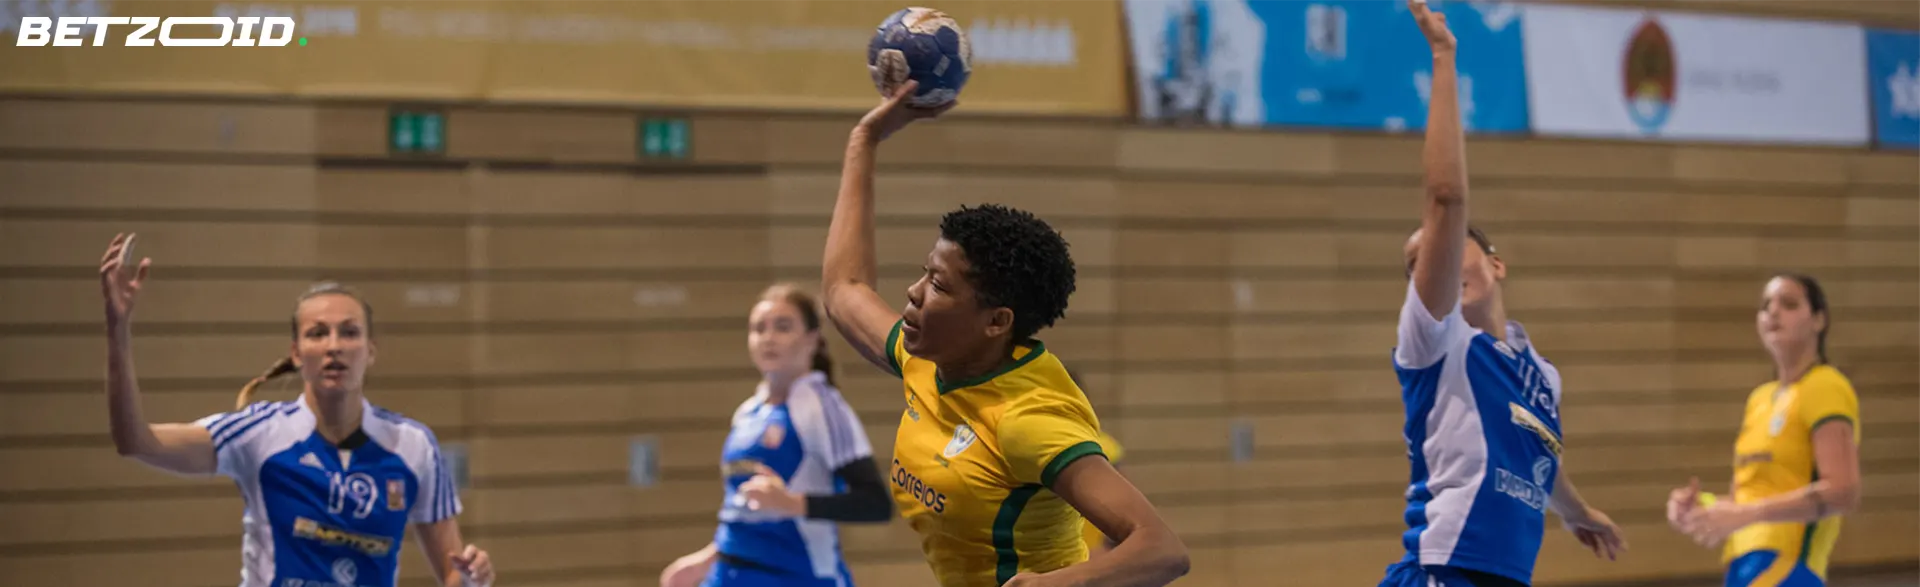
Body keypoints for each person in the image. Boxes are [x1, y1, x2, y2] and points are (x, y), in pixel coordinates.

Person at [820, 81, 1190, 587]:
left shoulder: (1027, 420)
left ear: (997, 321)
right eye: (923, 273)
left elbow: (1163, 550)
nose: (913, 292)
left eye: (939, 286)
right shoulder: (927, 360)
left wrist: (1054, 584)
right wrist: (864, 141)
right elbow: (845, 287)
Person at [1379, 4, 1626, 587]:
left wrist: (1575, 511)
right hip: (1444, 569)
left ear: (1496, 264)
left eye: (1442, 248)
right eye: (1417, 263)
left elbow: (1537, 451)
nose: (1430, 263)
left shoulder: (1541, 372)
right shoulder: (1435, 340)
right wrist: (1444, 58)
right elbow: (1445, 197)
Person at [97, 233, 494, 587]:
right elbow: (135, 440)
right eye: (318, 333)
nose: (334, 346)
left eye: (350, 332)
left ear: (371, 351)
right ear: (296, 353)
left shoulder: (414, 446)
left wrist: (473, 578)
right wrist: (118, 329)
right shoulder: (257, 434)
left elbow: (453, 573)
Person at [659, 284, 893, 587]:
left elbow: (875, 503)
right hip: (730, 574)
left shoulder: (821, 406)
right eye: (758, 329)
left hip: (797, 576)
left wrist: (792, 502)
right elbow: (744, 508)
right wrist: (709, 558)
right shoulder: (748, 413)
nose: (768, 337)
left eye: (782, 327)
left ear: (813, 339)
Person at [1666, 274, 1862, 587]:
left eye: (1789, 304)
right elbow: (1747, 497)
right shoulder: (1760, 399)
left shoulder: (1826, 386)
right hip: (1743, 566)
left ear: (1819, 320)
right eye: (1765, 305)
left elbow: (1842, 493)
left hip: (1788, 567)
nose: (1773, 312)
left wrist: (1748, 515)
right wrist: (1702, 507)